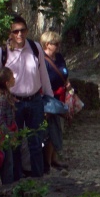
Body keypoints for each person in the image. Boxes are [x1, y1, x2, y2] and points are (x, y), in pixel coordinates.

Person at [0, 15, 53, 178]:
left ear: (27, 30)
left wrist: (49, 99)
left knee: (37, 142)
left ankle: (39, 181)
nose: (19, 34)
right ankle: (17, 183)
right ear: (10, 33)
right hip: (13, 103)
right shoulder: (2, 53)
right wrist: (2, 97)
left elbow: (43, 73)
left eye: (22, 30)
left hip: (35, 100)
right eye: (15, 31)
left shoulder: (35, 47)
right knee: (14, 144)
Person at [41, 30, 69, 172]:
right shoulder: (42, 61)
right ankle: (47, 163)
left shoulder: (59, 58)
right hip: (49, 101)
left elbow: (65, 73)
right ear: (47, 44)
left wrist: (67, 83)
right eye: (55, 44)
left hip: (60, 99)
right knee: (49, 131)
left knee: (58, 129)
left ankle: (53, 159)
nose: (58, 46)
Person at [0, 67, 19, 185]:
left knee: (11, 163)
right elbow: (0, 121)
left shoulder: (8, 95)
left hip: (9, 134)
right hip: (5, 137)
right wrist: (9, 135)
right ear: (7, 83)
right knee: (7, 165)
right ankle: (6, 190)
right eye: (12, 77)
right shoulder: (2, 99)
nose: (14, 78)